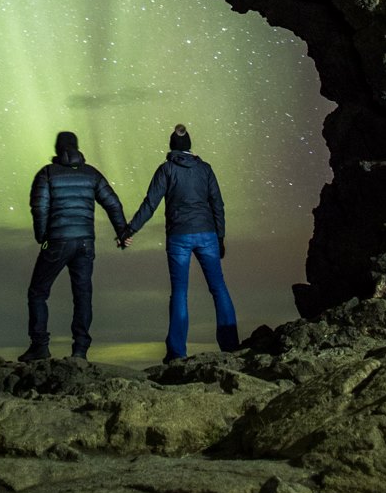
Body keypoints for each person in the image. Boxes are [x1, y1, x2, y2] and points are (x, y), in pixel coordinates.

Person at [124, 124, 239, 363]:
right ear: (189, 147)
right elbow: (217, 203)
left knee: (179, 292)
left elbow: (150, 203)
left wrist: (130, 229)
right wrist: (220, 236)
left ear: (171, 147)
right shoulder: (205, 169)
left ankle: (177, 352)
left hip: (178, 237)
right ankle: (230, 345)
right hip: (207, 235)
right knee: (218, 288)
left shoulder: (165, 170)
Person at [19, 130, 128, 362]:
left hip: (57, 240)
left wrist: (42, 236)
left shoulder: (47, 174)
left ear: (58, 148)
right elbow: (113, 203)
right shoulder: (92, 174)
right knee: (83, 294)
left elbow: (39, 208)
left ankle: (40, 346)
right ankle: (80, 350)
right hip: (86, 243)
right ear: (77, 148)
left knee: (38, 292)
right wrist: (122, 232)